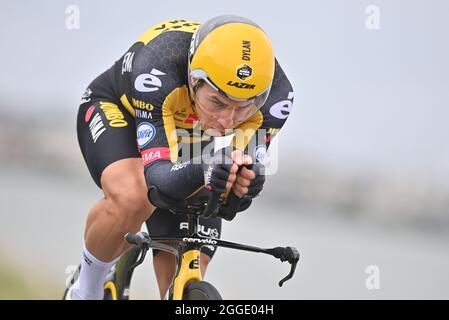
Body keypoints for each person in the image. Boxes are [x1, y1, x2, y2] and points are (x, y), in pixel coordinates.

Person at [66, 15, 294, 300]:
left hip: (189, 132)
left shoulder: (278, 99)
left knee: (194, 239)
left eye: (242, 108)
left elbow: (234, 189)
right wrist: (204, 170)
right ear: (194, 79)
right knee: (134, 198)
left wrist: (245, 183)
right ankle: (85, 290)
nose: (227, 120)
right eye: (218, 102)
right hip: (123, 112)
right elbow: (159, 179)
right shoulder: (158, 64)